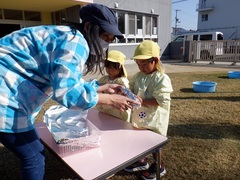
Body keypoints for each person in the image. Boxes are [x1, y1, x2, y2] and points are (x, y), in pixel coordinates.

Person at [0, 3, 139, 180]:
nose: (106, 43)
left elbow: (65, 79)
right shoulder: (76, 42)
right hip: (5, 98)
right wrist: (110, 100)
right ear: (88, 27)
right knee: (34, 156)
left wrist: (99, 88)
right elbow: (67, 92)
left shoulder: (65, 35)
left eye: (110, 39)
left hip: (9, 92)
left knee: (33, 153)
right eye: (104, 35)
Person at [124, 40, 173, 180]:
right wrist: (126, 92)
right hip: (141, 116)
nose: (141, 68)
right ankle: (141, 160)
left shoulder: (161, 78)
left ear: (155, 61)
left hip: (155, 118)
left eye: (144, 64)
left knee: (154, 143)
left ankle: (159, 166)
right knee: (139, 139)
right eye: (138, 64)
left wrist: (142, 101)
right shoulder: (139, 76)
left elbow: (161, 101)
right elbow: (132, 88)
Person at [96, 50, 131, 122]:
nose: (109, 70)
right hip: (104, 112)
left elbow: (123, 98)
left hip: (119, 114)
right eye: (107, 67)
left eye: (111, 68)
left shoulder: (122, 81)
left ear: (119, 67)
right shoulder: (103, 79)